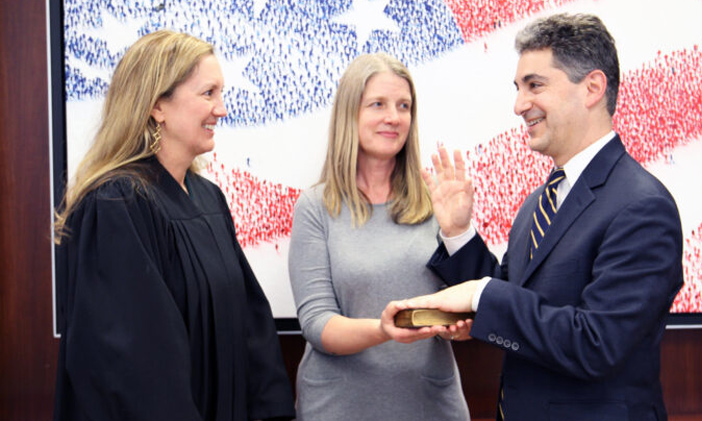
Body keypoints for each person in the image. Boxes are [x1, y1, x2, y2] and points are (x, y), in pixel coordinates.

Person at [401, 13, 684, 421]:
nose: (519, 105)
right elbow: (516, 298)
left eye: (535, 86)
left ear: (592, 88)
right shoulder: (540, 201)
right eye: (518, 88)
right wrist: (460, 233)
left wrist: (481, 298)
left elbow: (595, 344)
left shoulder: (643, 206)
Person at [52, 30, 295, 421]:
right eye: (208, 93)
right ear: (157, 105)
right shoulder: (118, 204)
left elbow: (253, 330)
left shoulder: (207, 197)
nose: (222, 109)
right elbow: (136, 368)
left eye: (221, 93)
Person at [287, 52, 471, 421]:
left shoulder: (438, 199)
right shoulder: (315, 207)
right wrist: (385, 329)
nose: (394, 117)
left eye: (404, 106)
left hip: (431, 406)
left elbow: (470, 309)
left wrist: (458, 232)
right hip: (338, 408)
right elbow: (317, 324)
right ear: (348, 114)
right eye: (378, 104)